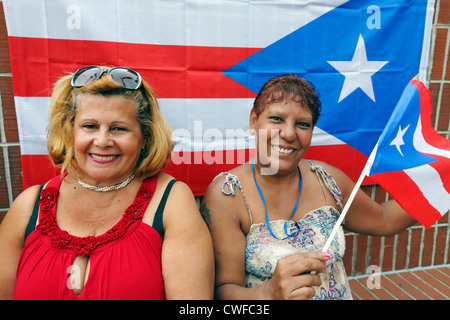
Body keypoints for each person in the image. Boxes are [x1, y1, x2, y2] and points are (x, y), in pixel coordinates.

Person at [0, 65, 214, 300]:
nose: (102, 141)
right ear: (70, 131)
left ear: (145, 138)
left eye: (118, 128)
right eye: (89, 126)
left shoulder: (171, 201)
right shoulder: (29, 206)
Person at [201, 73, 417, 300]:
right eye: (276, 119)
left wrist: (441, 185)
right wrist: (268, 293)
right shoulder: (228, 195)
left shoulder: (328, 180)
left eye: (302, 124)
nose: (288, 133)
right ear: (254, 121)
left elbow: (384, 218)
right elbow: (223, 290)